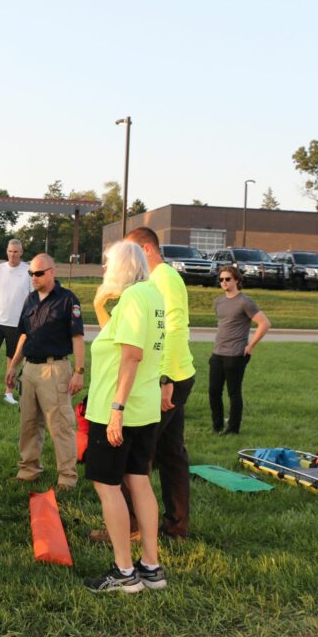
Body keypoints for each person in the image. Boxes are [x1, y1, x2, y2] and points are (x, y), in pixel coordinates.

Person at [89, 227, 196, 543]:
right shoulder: (151, 286)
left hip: (167, 377)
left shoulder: (160, 280)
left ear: (146, 250)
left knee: (136, 459)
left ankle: (132, 527)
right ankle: (176, 526)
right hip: (170, 374)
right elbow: (123, 338)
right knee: (170, 453)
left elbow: (173, 331)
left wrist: (165, 379)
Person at [83, 241, 167, 593]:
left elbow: (130, 355)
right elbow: (116, 339)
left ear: (121, 267)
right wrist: (100, 304)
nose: (104, 271)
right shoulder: (150, 296)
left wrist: (116, 410)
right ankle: (151, 566)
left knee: (108, 485)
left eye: (107, 265)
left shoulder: (133, 299)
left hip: (118, 408)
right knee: (138, 480)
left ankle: (124, 571)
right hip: (144, 407)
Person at [6, 254, 84, 490]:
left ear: (52, 272)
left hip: (55, 368)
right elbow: (24, 335)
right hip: (30, 368)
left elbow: (77, 338)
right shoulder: (30, 299)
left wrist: (79, 371)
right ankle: (28, 469)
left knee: (60, 424)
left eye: (38, 273)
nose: (34, 278)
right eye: (31, 274)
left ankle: (67, 477)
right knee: (28, 423)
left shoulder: (67, 300)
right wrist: (13, 365)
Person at [209, 266, 270, 435]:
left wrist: (250, 346)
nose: (224, 282)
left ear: (237, 280)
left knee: (233, 393)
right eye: (221, 280)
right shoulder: (219, 302)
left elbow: (264, 323)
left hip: (235, 355)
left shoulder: (245, 302)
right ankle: (217, 426)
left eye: (228, 279)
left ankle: (233, 429)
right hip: (217, 353)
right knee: (214, 392)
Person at [0, 239, 31, 404]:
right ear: (6, 251)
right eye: (10, 251)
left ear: (21, 253)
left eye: (16, 252)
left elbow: (32, 298)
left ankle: (8, 393)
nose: (13, 255)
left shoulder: (28, 271)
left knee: (12, 359)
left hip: (16, 323)